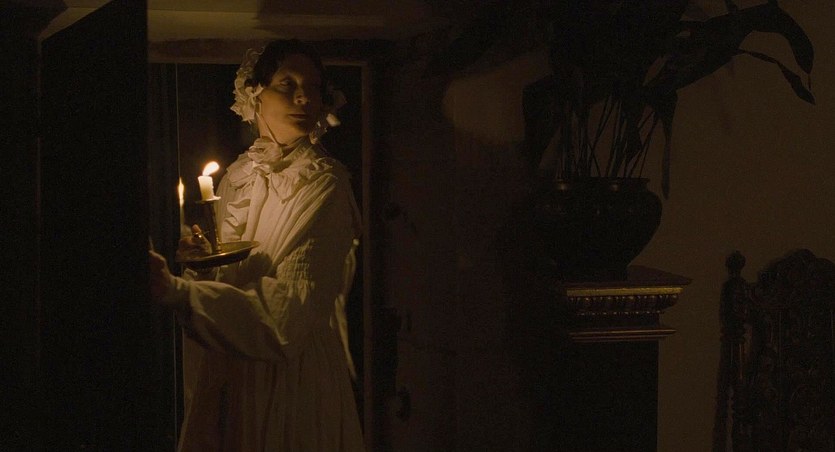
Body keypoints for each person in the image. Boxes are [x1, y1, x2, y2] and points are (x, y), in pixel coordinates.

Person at [148, 39, 364, 451]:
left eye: (313, 87)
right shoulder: (239, 175)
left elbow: (291, 311)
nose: (303, 97)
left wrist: (181, 292)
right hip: (233, 364)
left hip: (292, 375)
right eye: (287, 83)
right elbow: (228, 277)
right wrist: (203, 264)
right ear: (254, 95)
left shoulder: (325, 183)